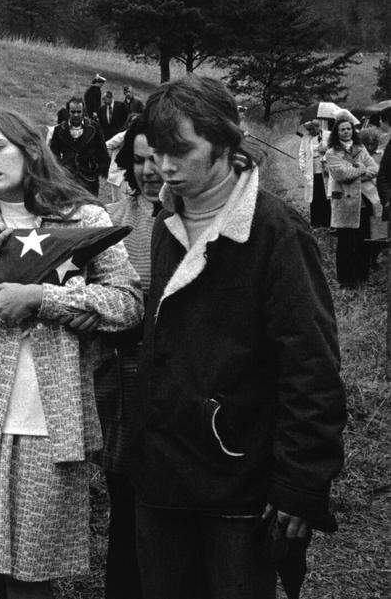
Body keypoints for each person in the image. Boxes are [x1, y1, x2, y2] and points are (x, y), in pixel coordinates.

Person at [131, 76, 346, 599]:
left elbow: (311, 366)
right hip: (163, 476)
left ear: (226, 141)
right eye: (157, 152)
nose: (164, 167)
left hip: (238, 481)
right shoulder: (165, 226)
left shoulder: (278, 233)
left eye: (181, 151)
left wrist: (300, 481)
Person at [0, 110, 142, 599]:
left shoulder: (83, 220)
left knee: (33, 573)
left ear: (30, 148)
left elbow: (129, 305)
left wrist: (45, 300)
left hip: (51, 419)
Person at [99, 116, 162, 599]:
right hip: (126, 371)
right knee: (126, 494)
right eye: (138, 160)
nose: (149, 169)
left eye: (157, 157)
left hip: (179, 375)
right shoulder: (115, 215)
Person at [324, 115, 380, 288]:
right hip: (345, 203)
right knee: (346, 243)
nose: (346, 132)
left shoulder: (360, 148)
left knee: (363, 240)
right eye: (342, 129)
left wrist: (355, 172)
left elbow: (375, 168)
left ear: (353, 130)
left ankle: (361, 275)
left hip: (364, 200)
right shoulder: (331, 153)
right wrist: (360, 169)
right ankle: (346, 280)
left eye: (349, 128)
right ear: (337, 132)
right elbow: (341, 175)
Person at [49, 97, 110, 197]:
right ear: (68, 112)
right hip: (67, 179)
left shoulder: (94, 127)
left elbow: (102, 152)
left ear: (83, 112)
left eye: (79, 111)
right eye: (73, 112)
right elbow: (53, 154)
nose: (76, 115)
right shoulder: (59, 130)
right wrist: (61, 169)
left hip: (89, 179)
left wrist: (95, 169)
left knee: (90, 207)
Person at [299, 119, 332, 227]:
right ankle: (316, 223)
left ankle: (327, 223)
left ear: (318, 126)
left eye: (313, 129)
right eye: (309, 129)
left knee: (326, 195)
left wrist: (325, 156)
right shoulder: (305, 138)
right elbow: (302, 154)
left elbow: (334, 150)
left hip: (325, 171)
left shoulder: (328, 135)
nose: (311, 131)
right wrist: (304, 169)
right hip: (312, 171)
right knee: (314, 196)